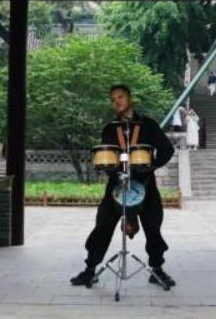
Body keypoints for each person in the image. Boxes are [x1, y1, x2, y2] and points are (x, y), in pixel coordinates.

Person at [70, 85, 176, 289]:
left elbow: (167, 149)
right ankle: (90, 269)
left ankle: (157, 269)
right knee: (102, 225)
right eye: (113, 99)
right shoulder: (110, 128)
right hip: (117, 183)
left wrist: (152, 166)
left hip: (145, 182)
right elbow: (106, 156)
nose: (116, 102)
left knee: (153, 226)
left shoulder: (148, 125)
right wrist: (111, 170)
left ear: (130, 98)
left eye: (120, 97)